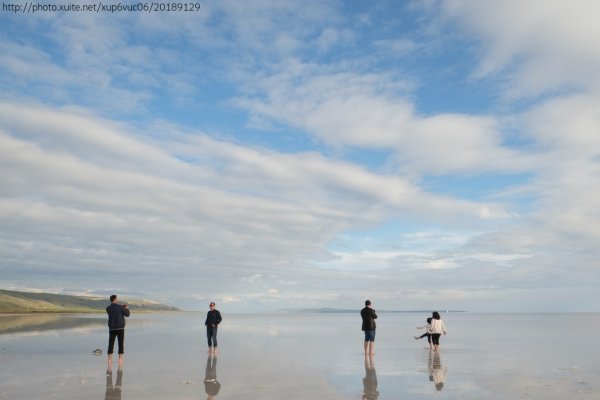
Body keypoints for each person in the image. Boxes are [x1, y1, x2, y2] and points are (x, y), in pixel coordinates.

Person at [106, 294, 130, 367]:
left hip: (112, 328)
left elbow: (114, 311)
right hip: (120, 328)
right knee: (120, 343)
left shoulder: (108, 308)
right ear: (115, 299)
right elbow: (127, 314)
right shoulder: (120, 307)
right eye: (117, 299)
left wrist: (121, 307)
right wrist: (126, 308)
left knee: (111, 343)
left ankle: (109, 359)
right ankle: (120, 359)